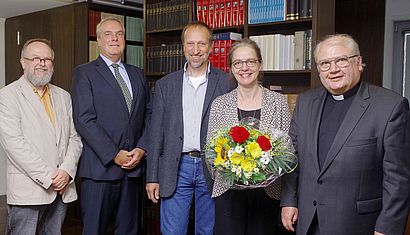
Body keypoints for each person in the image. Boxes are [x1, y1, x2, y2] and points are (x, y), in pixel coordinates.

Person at [281, 34, 410, 235]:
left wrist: (387, 228)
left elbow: (398, 179)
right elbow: (292, 158)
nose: (333, 70)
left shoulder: (390, 106)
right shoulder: (305, 103)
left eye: (341, 60)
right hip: (308, 221)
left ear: (358, 62)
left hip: (358, 225)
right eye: (325, 63)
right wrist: (289, 200)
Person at [145, 21, 230, 235]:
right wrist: (152, 176)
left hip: (212, 167)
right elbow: (156, 134)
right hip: (175, 167)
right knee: (172, 231)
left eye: (201, 44)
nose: (195, 50)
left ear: (210, 47)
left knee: (208, 231)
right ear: (183, 47)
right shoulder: (166, 85)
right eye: (190, 44)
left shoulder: (227, 82)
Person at [71, 17, 151, 235]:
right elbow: (84, 120)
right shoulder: (84, 73)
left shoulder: (137, 73)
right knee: (94, 229)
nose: (115, 38)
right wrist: (114, 154)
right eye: (108, 34)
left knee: (129, 230)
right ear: (98, 40)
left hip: (133, 169)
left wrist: (142, 149)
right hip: (99, 170)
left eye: (119, 33)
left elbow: (149, 115)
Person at [206, 38, 291, 234]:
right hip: (229, 193)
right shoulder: (220, 103)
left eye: (250, 62)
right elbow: (211, 153)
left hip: (268, 193)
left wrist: (264, 168)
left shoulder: (278, 102)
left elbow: (287, 151)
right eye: (238, 63)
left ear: (260, 64)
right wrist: (232, 168)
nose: (244, 68)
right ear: (231, 68)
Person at [0, 38, 82, 234]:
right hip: (28, 189)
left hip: (62, 188)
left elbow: (75, 138)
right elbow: (14, 144)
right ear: (23, 62)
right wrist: (50, 177)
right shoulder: (7, 96)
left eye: (46, 59)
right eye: (35, 58)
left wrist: (66, 172)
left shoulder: (64, 96)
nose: (41, 63)